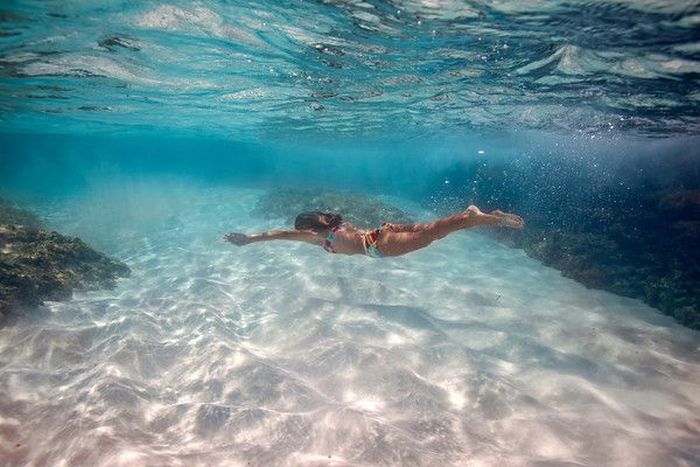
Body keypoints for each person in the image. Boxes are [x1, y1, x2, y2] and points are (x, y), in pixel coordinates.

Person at [223, 205, 524, 258]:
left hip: (376, 245)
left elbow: (280, 234)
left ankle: (473, 217)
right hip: (382, 231)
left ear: (308, 228)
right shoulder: (336, 226)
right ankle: (469, 217)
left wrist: (249, 239)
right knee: (433, 233)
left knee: (431, 234)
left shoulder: (316, 237)